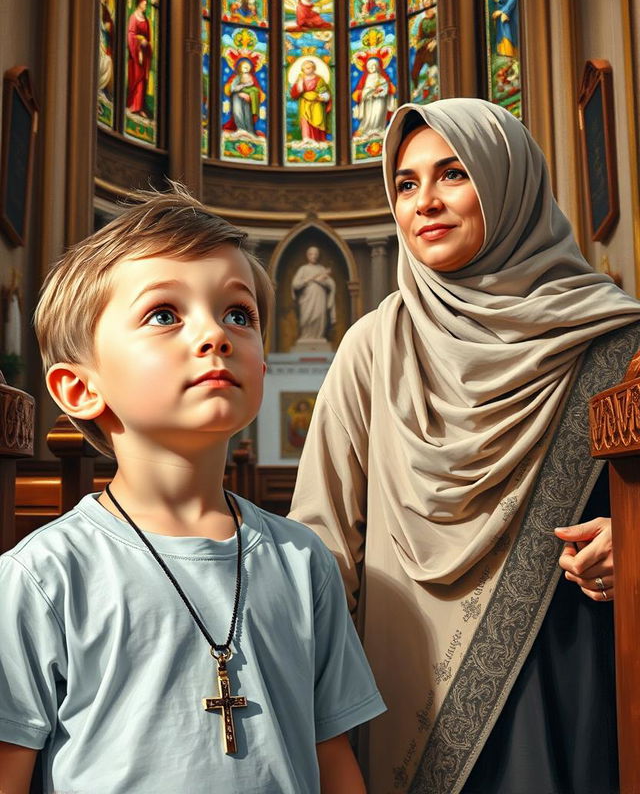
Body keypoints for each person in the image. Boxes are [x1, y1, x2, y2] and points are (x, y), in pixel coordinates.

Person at [290, 98, 640, 794]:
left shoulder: (618, 341)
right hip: (406, 681)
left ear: (508, 182)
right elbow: (324, 539)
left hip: (574, 664)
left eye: (452, 174)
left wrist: (630, 542)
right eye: (406, 183)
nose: (425, 202)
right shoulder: (373, 347)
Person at [0, 186, 385, 794]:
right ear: (79, 389)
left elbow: (333, 758)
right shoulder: (43, 577)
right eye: (164, 315)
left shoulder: (302, 559)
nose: (216, 334)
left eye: (240, 314)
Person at [291, 245, 336, 343]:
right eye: (311, 254)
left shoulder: (322, 269)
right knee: (306, 318)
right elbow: (295, 284)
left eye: (316, 254)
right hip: (306, 298)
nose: (314, 256)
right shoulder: (303, 269)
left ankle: (318, 337)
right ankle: (305, 336)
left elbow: (330, 284)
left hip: (320, 298)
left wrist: (321, 280)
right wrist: (308, 280)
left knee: (319, 316)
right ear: (307, 255)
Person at [353, 56, 396, 139]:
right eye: (369, 67)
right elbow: (364, 90)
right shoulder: (366, 78)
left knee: (379, 113)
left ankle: (379, 129)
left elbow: (386, 87)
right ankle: (367, 130)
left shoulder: (381, 77)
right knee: (369, 116)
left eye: (373, 66)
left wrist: (380, 91)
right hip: (369, 101)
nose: (371, 68)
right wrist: (370, 92)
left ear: (377, 66)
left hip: (380, 100)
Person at [290, 59, 332, 142]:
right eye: (306, 68)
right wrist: (300, 86)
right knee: (305, 121)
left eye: (310, 68)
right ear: (303, 69)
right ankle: (306, 139)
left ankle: (319, 140)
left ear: (314, 68)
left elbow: (324, 91)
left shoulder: (319, 79)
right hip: (304, 103)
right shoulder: (300, 78)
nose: (308, 70)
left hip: (316, 103)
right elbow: (294, 93)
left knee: (318, 120)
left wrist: (323, 97)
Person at [126, 0, 152, 117]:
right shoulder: (133, 17)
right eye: (144, 1)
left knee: (142, 81)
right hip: (135, 55)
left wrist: (147, 45)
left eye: (146, 2)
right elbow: (131, 35)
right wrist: (139, 44)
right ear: (139, 2)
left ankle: (140, 106)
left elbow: (149, 38)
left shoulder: (146, 20)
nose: (145, 4)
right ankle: (132, 105)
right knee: (135, 79)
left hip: (144, 55)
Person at [223, 57, 264, 136]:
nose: (247, 69)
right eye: (245, 67)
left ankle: (249, 130)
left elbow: (257, 90)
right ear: (240, 68)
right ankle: (241, 128)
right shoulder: (237, 77)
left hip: (248, 99)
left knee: (247, 112)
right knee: (238, 107)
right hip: (237, 96)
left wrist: (250, 96)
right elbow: (232, 88)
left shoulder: (252, 78)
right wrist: (240, 91)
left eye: (248, 67)